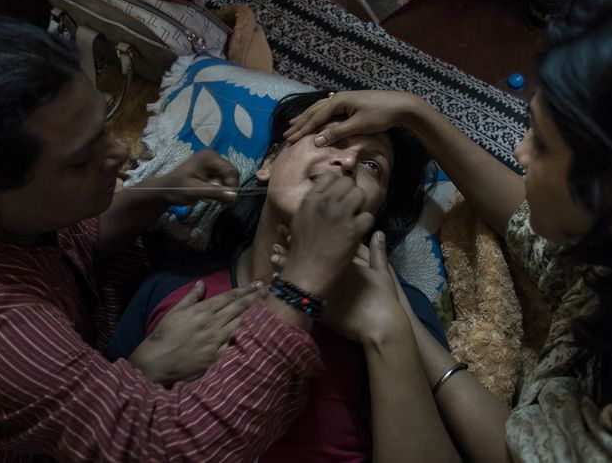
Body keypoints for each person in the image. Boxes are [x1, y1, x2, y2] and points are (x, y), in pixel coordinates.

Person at [282, 0, 612, 461]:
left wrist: (395, 328)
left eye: (542, 144)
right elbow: (539, 232)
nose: (519, 153)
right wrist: (416, 112)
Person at [0, 15, 387, 461]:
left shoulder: (12, 218)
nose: (120, 153)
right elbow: (169, 450)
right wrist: (302, 285)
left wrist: (153, 194)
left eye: (104, 124)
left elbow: (64, 244)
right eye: (81, 161)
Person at [106, 91, 457, 462]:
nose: (348, 161)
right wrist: (141, 371)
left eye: (373, 166)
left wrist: (386, 334)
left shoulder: (398, 310)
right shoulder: (174, 284)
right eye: (328, 138)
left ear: (374, 211)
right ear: (269, 162)